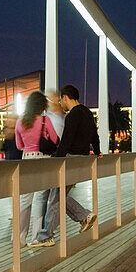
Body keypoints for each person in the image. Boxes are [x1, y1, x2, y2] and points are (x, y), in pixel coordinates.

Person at [32, 85, 97, 245]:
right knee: (59, 196)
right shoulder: (88, 113)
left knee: (55, 197)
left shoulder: (72, 116)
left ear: (66, 97)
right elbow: (94, 135)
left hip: (69, 159)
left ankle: (45, 236)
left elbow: (66, 141)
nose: (61, 103)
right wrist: (98, 151)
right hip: (82, 159)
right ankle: (83, 217)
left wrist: (57, 159)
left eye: (62, 99)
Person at [15, 91, 56, 244]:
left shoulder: (20, 122)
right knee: (40, 199)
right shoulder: (45, 121)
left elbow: (19, 146)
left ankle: (19, 237)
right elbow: (55, 139)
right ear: (42, 105)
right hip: (42, 160)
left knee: (25, 200)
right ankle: (36, 237)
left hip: (26, 160)